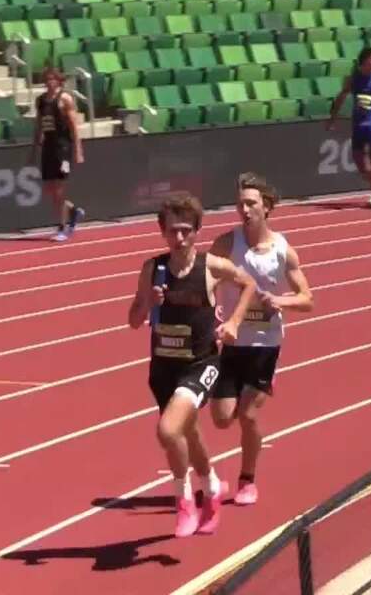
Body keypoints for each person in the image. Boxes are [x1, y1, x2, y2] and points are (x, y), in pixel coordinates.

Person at [127, 193, 259, 538]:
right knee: (187, 432)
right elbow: (133, 320)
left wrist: (233, 323)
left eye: (186, 230)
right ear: (162, 231)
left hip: (201, 363)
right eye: (173, 230)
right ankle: (211, 486)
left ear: (197, 231)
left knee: (168, 430)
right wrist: (148, 304)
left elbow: (248, 284)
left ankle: (184, 499)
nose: (180, 237)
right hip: (163, 367)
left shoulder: (211, 267)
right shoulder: (152, 269)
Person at [209, 172, 314, 506]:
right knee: (222, 418)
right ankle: (216, 475)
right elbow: (208, 279)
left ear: (267, 207)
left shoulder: (283, 251)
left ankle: (247, 479)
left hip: (264, 345)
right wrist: (212, 308)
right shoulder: (227, 243)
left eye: (251, 203)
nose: (244, 209)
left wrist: (279, 302)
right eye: (240, 204)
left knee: (248, 415)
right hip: (231, 343)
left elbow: (307, 298)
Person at [31, 68, 85, 242]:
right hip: (48, 146)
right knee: (49, 190)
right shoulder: (40, 100)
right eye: (46, 79)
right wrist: (35, 148)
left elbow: (73, 126)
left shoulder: (64, 99)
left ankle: (63, 227)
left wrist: (78, 150)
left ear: (58, 81)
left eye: (52, 79)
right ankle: (74, 211)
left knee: (59, 190)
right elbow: (39, 124)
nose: (48, 82)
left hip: (63, 147)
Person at [327, 47, 371, 208]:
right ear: (364, 61)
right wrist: (333, 118)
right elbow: (341, 97)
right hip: (358, 124)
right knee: (359, 161)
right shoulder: (353, 79)